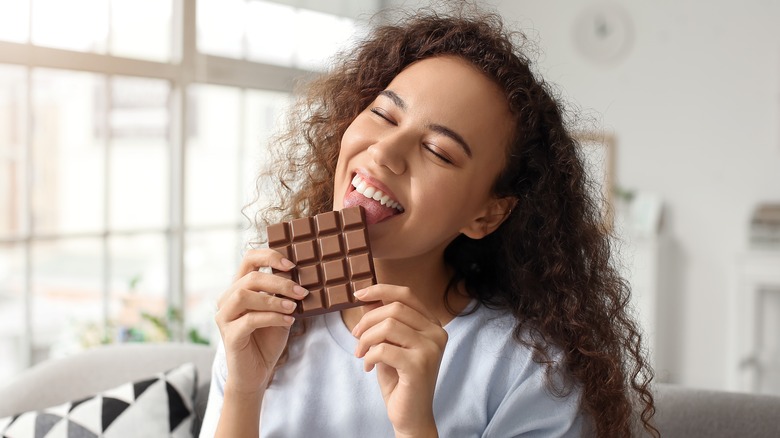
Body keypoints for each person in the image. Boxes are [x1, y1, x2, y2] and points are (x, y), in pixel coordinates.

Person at [200, 5, 658, 438]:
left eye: (438, 150)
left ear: (487, 213)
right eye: (383, 113)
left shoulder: (530, 371)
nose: (384, 152)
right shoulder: (268, 321)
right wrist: (244, 389)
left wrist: (416, 425)